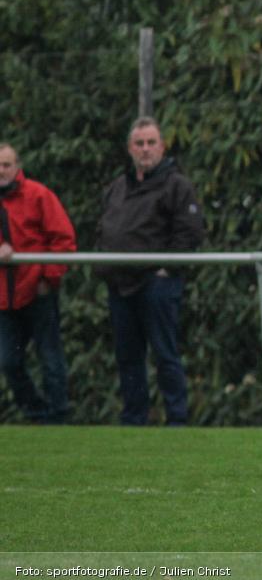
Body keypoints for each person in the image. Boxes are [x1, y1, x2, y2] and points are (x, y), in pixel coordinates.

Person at [94, 118, 204, 426]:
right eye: (139, 144)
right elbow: (105, 227)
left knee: (164, 353)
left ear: (162, 146)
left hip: (156, 283)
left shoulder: (177, 185)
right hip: (120, 282)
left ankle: (177, 419)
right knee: (127, 356)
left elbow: (191, 232)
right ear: (130, 148)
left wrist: (167, 268)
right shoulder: (117, 186)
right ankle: (134, 419)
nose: (145, 149)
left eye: (151, 143)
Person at [0, 144, 76, 424]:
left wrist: (48, 277)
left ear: (18, 166)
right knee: (8, 362)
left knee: (50, 359)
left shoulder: (38, 195)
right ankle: (36, 412)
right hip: (4, 298)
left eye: (6, 164)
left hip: (38, 292)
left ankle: (58, 416)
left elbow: (64, 241)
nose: (1, 171)